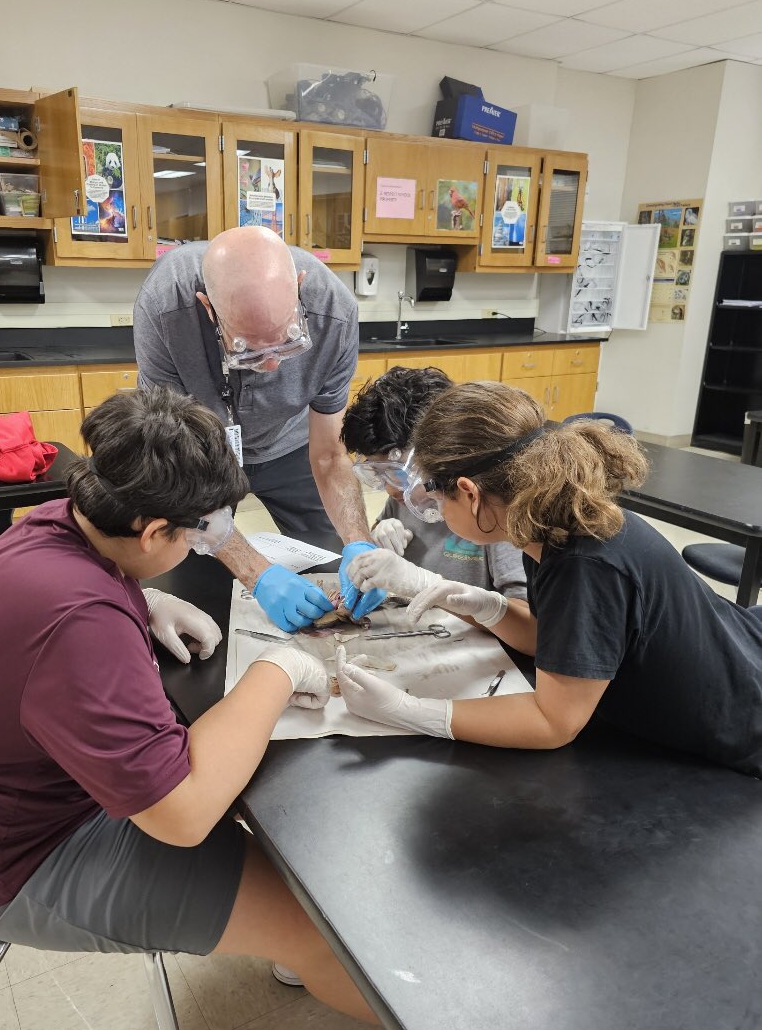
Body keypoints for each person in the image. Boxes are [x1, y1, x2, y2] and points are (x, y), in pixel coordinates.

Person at [0, 386, 374, 1024]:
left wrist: (140, 601)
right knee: (327, 934)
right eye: (205, 532)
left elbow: (40, 624)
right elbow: (181, 817)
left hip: (21, 800)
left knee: (284, 828)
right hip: (22, 864)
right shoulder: (76, 625)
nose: (211, 544)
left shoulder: (59, 518)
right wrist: (280, 668)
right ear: (152, 531)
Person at [338, 380, 762, 776]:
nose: (432, 511)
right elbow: (554, 640)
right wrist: (487, 606)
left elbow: (553, 722)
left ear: (469, 492)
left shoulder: (584, 564)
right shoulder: (547, 523)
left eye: (435, 496)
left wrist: (408, 710)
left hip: (742, 728)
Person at [133, 227, 386, 632]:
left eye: (288, 341)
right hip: (200, 454)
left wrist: (361, 545)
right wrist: (257, 574)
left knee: (331, 559)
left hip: (294, 449)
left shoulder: (335, 312)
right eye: (247, 349)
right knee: (190, 570)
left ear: (299, 287)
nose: (272, 366)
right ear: (208, 309)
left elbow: (329, 454)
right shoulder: (164, 308)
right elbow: (175, 462)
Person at [340, 365, 528, 604]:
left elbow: (525, 618)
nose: (390, 489)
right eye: (379, 474)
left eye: (397, 473)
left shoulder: (494, 508)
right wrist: (376, 540)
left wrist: (435, 589)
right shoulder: (404, 497)